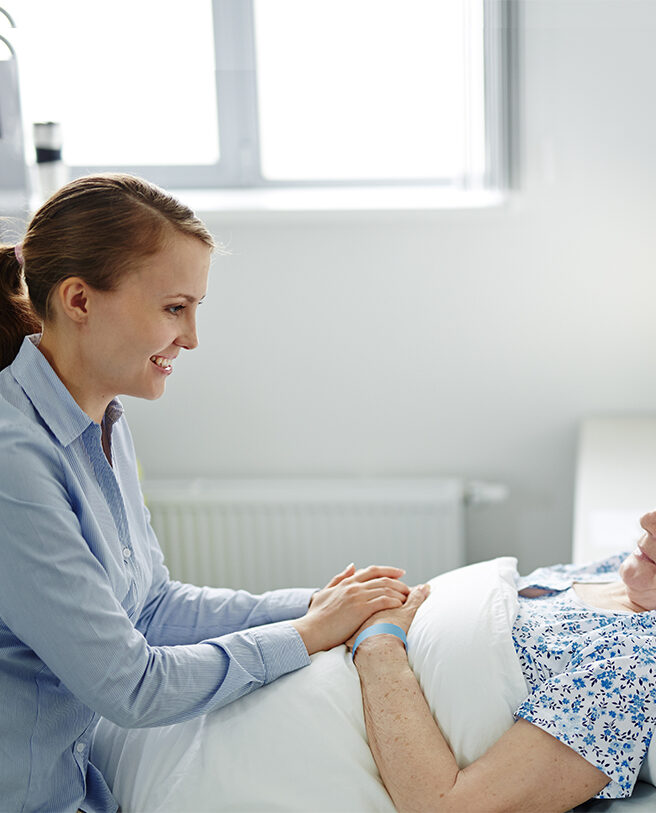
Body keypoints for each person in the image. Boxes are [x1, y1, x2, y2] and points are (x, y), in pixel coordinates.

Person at [0, 174, 410, 812]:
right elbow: (131, 687)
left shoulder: (101, 421)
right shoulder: (12, 464)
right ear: (78, 299)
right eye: (174, 308)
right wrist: (306, 634)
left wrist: (316, 604)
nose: (191, 338)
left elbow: (152, 608)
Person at [346, 419, 656, 812]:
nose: (649, 519)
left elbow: (451, 805)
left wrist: (380, 647)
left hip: (338, 728)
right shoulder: (628, 574)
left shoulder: (636, 672)